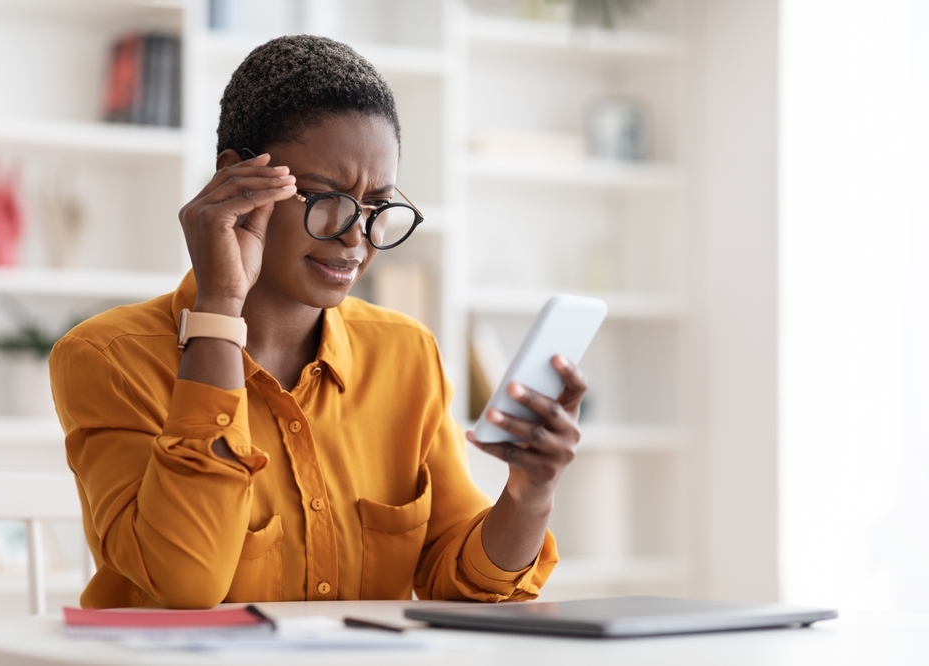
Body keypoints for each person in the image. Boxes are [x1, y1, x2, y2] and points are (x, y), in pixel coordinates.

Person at [50, 35, 587, 609]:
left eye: (378, 205)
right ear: (237, 181)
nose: (356, 237)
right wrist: (221, 308)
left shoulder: (406, 354)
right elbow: (187, 582)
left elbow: (458, 582)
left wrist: (530, 495)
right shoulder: (107, 358)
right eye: (324, 198)